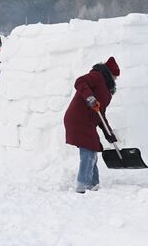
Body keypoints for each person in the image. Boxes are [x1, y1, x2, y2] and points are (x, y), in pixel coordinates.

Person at [64, 57, 120, 194]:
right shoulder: (97, 76)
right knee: (89, 149)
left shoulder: (106, 89)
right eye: (114, 76)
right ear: (109, 73)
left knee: (93, 147)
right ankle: (82, 184)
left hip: (87, 121)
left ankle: (93, 183)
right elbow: (80, 82)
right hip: (77, 118)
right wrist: (89, 97)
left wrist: (109, 134)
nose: (115, 79)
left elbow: (101, 115)